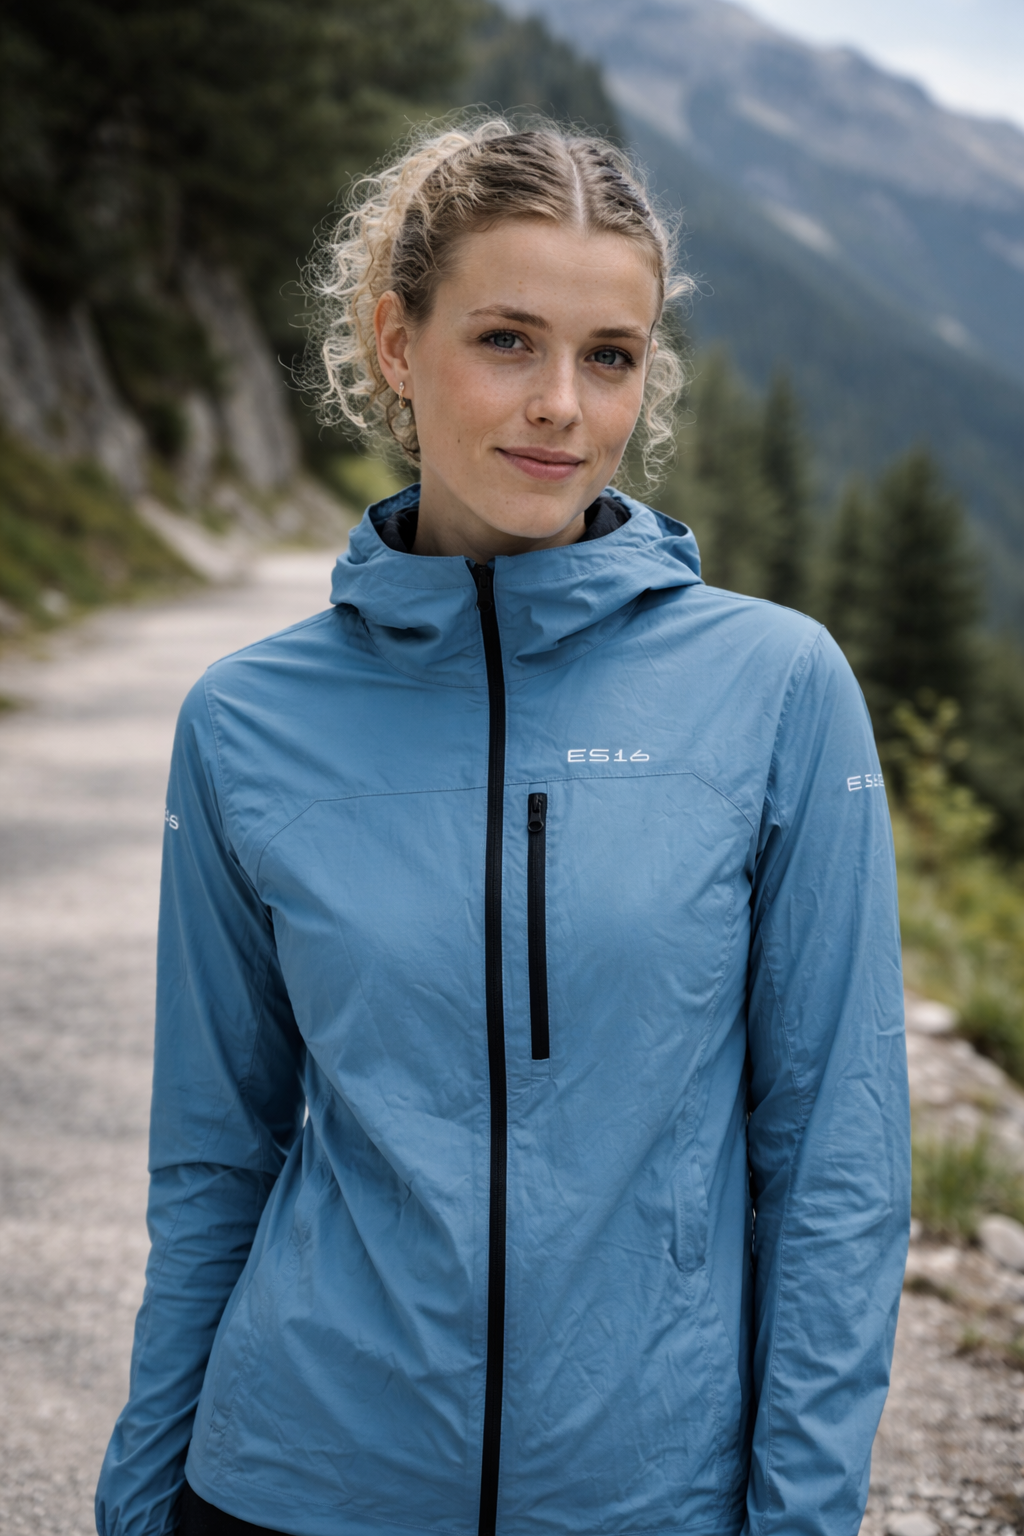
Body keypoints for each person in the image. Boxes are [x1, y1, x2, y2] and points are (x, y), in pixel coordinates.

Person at [96, 118, 910, 1536]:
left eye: (611, 356)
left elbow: (837, 1164)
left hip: (643, 1495)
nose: (562, 408)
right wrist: (137, 1497)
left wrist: (803, 1516)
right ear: (396, 345)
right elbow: (214, 1159)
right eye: (506, 340)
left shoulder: (777, 688)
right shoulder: (245, 721)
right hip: (293, 1480)